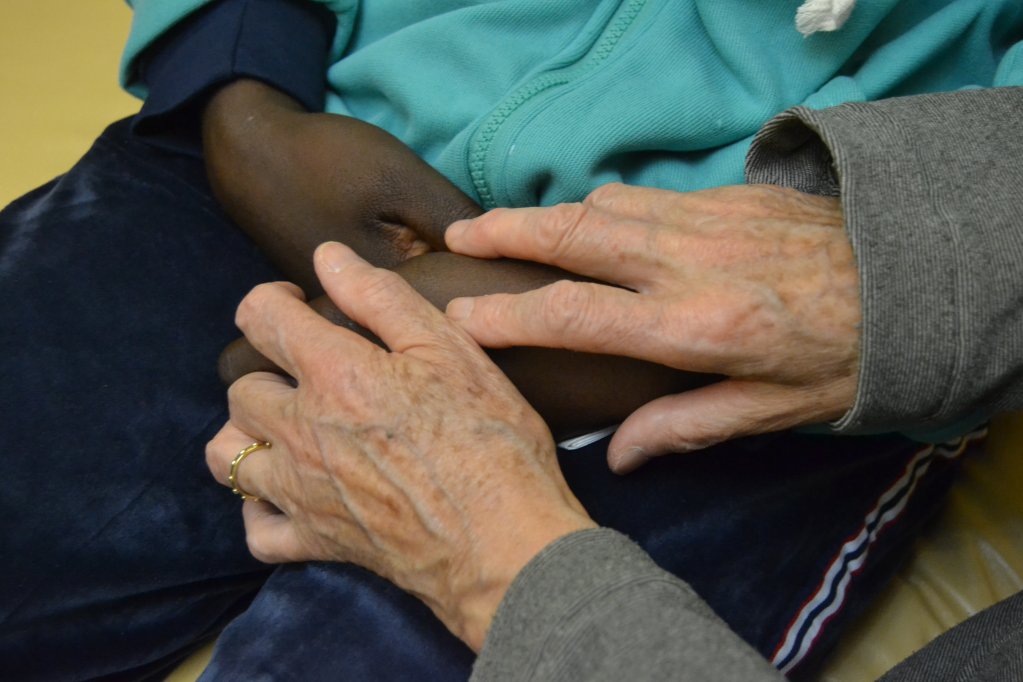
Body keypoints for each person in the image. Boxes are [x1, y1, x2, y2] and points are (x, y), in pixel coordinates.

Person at [1, 0, 1020, 680]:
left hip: (765, 342)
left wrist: (829, 252)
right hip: (303, 128)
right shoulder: (252, 116)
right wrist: (235, 77)